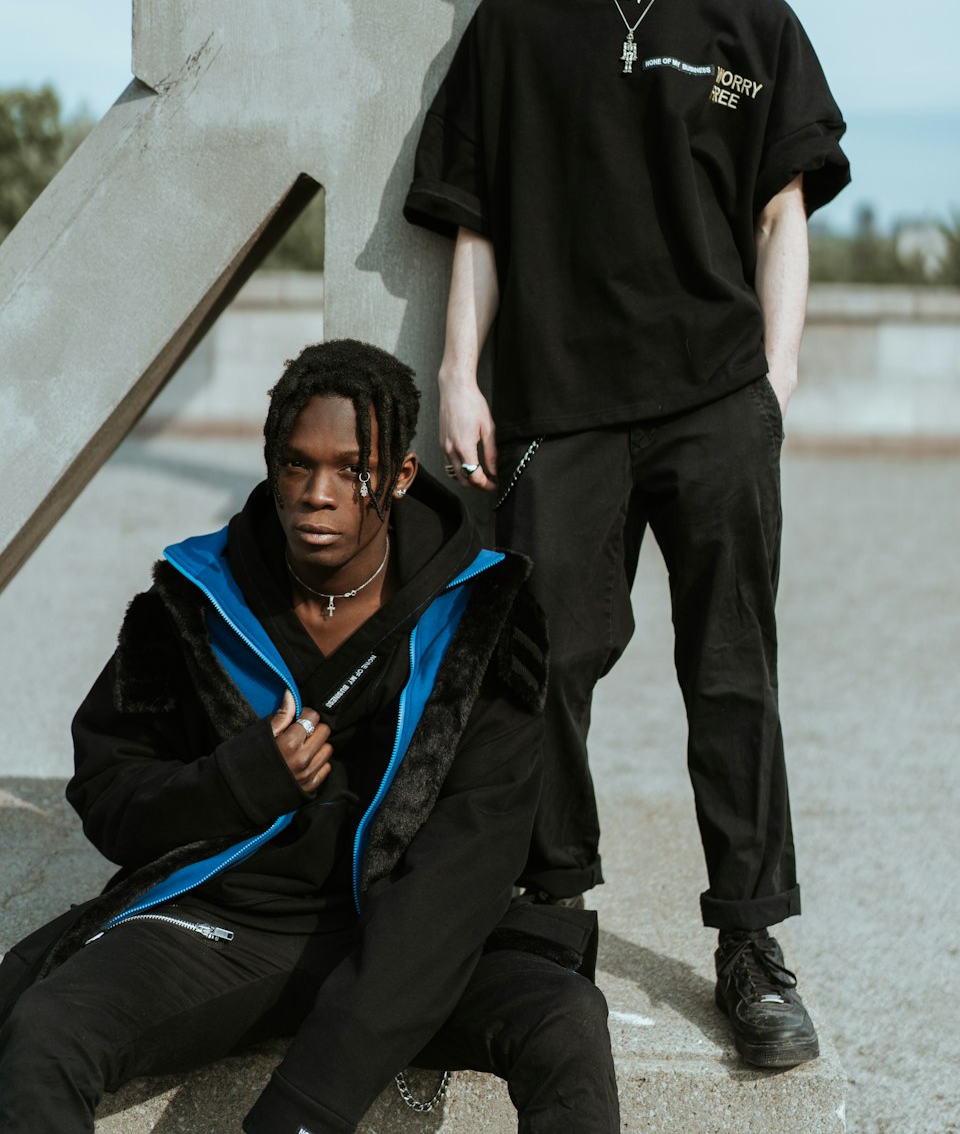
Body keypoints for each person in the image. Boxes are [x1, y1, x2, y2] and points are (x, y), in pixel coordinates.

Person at [403, 0, 851, 1069]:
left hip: (715, 399)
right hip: (561, 404)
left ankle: (752, 948)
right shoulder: (515, 25)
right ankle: (551, 922)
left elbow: (783, 216)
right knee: (546, 673)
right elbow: (470, 225)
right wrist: (456, 372)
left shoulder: (751, 23)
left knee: (731, 676)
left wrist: (772, 384)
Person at [0, 339, 619, 1133]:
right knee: (44, 1031)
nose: (316, 495)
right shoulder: (189, 608)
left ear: (397, 475)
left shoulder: (481, 625)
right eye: (295, 465)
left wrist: (306, 1106)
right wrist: (233, 783)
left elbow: (463, 872)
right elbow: (112, 797)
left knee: (564, 1019)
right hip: (229, 929)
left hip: (411, 940)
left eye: (349, 468)